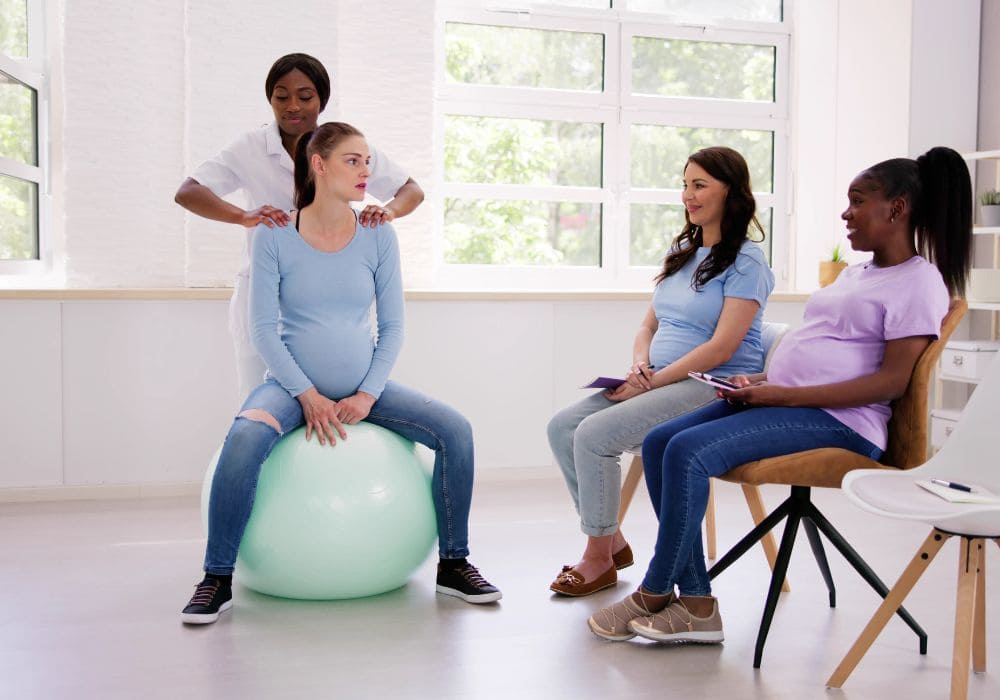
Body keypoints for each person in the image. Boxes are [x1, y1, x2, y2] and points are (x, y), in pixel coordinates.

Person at [588, 146, 973, 644]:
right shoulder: (859, 273)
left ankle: (656, 592)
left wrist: (784, 396)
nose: (845, 213)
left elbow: (891, 383)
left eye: (857, 201)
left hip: (843, 423)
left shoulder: (919, 283)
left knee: (686, 450)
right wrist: (764, 383)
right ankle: (699, 605)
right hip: (791, 401)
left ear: (895, 209)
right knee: (661, 440)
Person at [180, 122, 500, 625]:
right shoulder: (274, 233)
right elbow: (262, 329)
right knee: (243, 438)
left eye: (367, 162)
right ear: (319, 165)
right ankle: (215, 578)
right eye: (353, 161)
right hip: (289, 387)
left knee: (456, 431)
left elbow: (392, 327)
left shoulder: (377, 234)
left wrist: (368, 395)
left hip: (365, 389)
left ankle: (454, 563)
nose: (366, 171)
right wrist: (306, 395)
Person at [546, 147, 775, 596]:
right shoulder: (682, 252)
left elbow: (721, 347)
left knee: (594, 435)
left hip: (714, 386)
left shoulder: (748, 263)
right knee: (563, 427)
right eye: (685, 184)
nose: (687, 195)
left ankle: (597, 558)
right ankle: (611, 539)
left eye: (700, 185)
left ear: (732, 191)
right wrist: (639, 366)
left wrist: (650, 383)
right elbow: (650, 323)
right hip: (660, 379)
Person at [174, 53, 424, 400]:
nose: (293, 106)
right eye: (281, 96)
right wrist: (242, 216)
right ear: (270, 99)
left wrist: (389, 212)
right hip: (264, 300)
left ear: (321, 100)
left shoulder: (342, 146)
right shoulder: (250, 147)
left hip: (324, 303)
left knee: (330, 419)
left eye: (305, 97)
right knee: (259, 405)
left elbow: (411, 190)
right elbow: (188, 192)